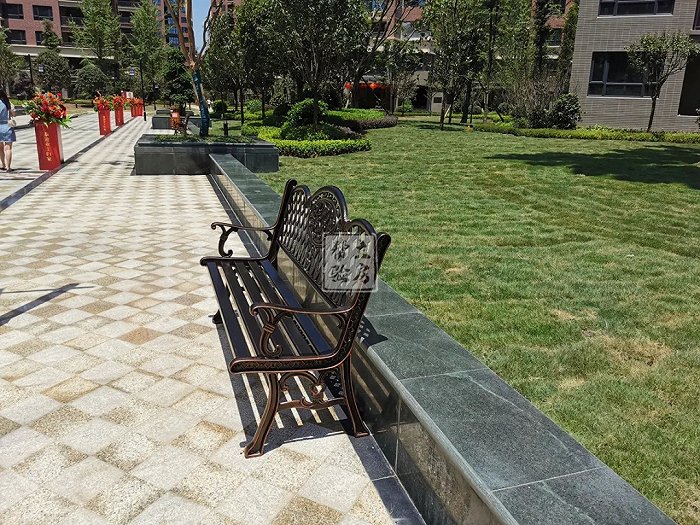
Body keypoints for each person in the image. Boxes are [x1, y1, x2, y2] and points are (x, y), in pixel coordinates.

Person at [0, 90, 17, 172]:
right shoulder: (8, 103)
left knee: (0, 148)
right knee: (8, 148)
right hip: (7, 126)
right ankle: (8, 167)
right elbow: (14, 114)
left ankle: (2, 164)